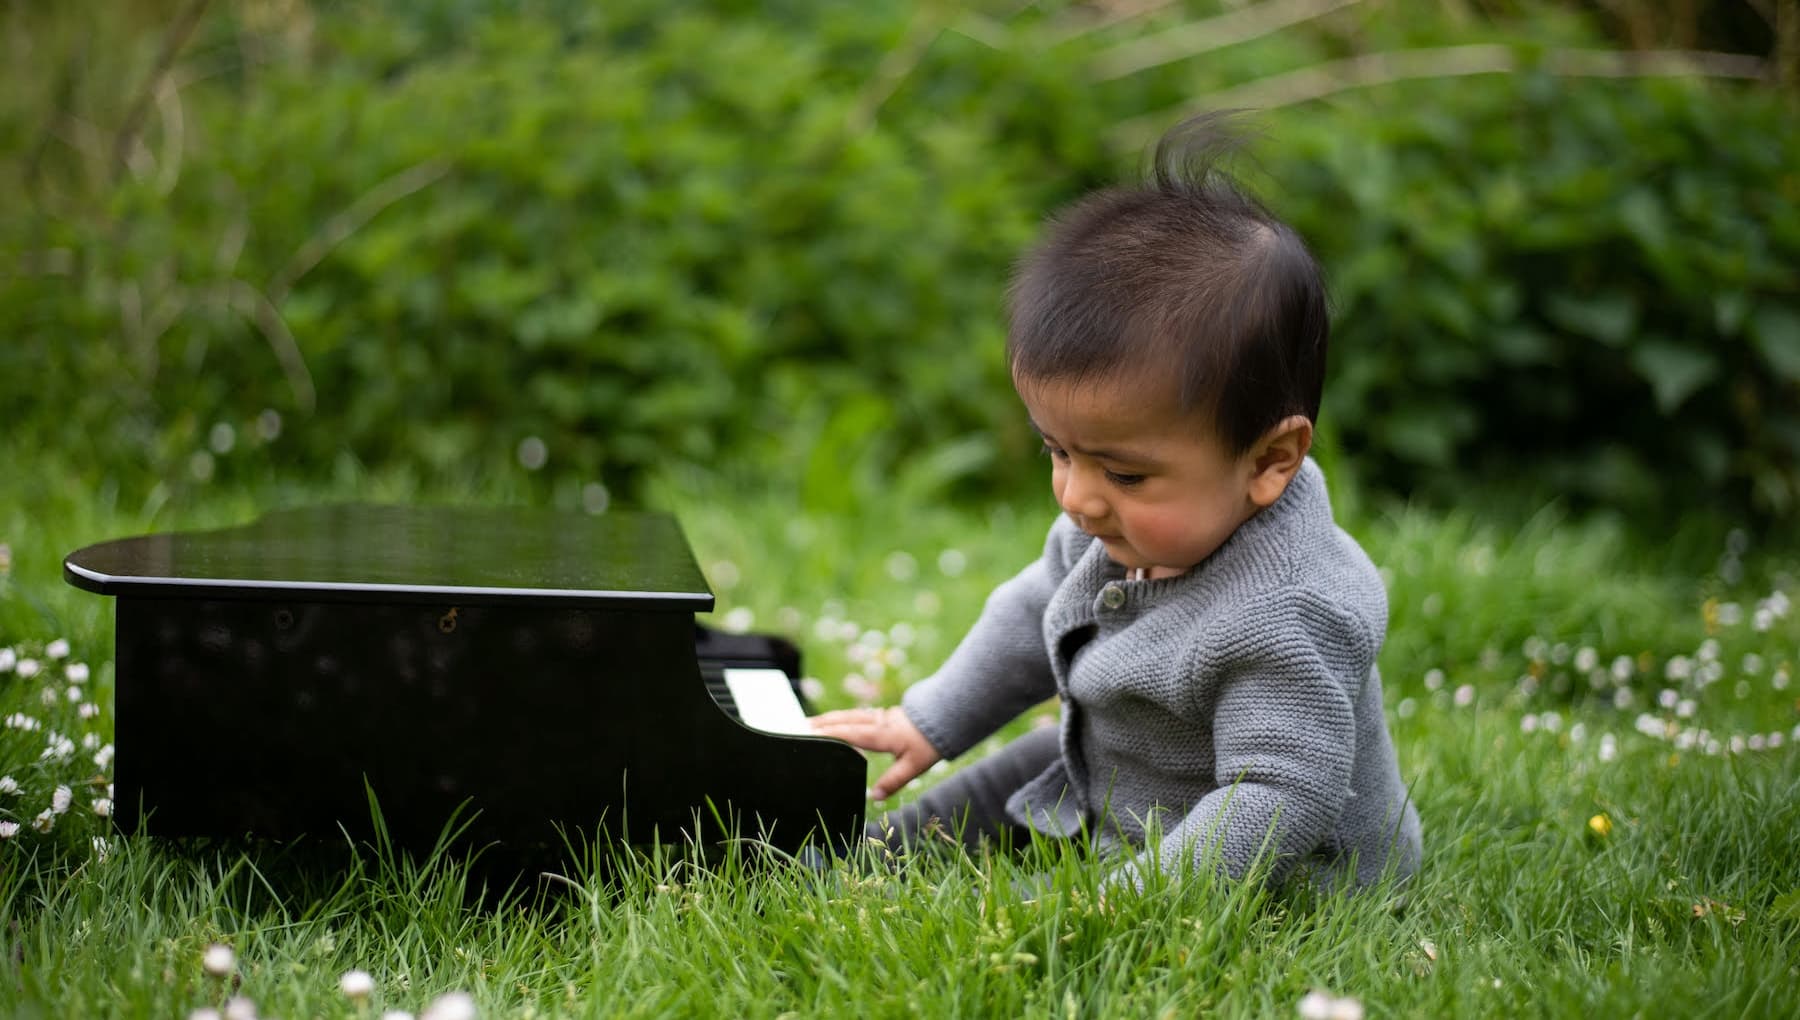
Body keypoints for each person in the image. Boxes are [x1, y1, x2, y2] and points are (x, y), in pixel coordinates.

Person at [809, 115, 1421, 890]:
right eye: (1057, 451)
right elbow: (1035, 609)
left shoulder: (1290, 610)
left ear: (1270, 461)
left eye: (1124, 474)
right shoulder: (1119, 533)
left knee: (1137, 807)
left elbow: (1277, 800)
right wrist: (930, 720)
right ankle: (870, 854)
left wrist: (1125, 905)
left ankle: (1111, 872)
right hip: (1128, 780)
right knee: (1035, 764)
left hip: (1281, 875)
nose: (1077, 498)